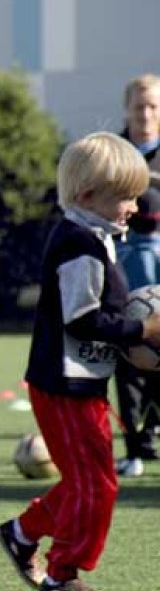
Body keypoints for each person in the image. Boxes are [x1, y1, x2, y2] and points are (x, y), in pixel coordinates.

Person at [0, 131, 160, 591]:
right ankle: (62, 577)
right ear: (89, 197)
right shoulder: (81, 247)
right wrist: (140, 330)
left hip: (81, 381)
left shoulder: (95, 236)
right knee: (98, 484)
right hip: (64, 384)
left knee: (88, 479)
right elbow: (81, 318)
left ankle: (22, 533)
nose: (134, 205)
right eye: (124, 197)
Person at [113, 186, 160, 476]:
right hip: (158, 339)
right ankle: (150, 439)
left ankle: (133, 456)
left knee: (130, 397)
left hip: (128, 337)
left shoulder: (118, 252)